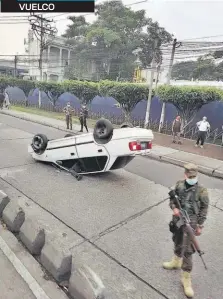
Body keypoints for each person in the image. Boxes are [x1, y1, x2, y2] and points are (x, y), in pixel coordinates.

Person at [163, 163, 209, 298]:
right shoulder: (179, 185)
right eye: (190, 176)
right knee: (177, 240)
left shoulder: (202, 190)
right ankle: (176, 261)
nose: (192, 178)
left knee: (188, 249)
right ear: (185, 174)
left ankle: (186, 278)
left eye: (194, 176)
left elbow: (204, 209)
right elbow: (172, 199)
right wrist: (174, 208)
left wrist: (200, 225)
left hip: (191, 222)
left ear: (197, 176)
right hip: (178, 219)